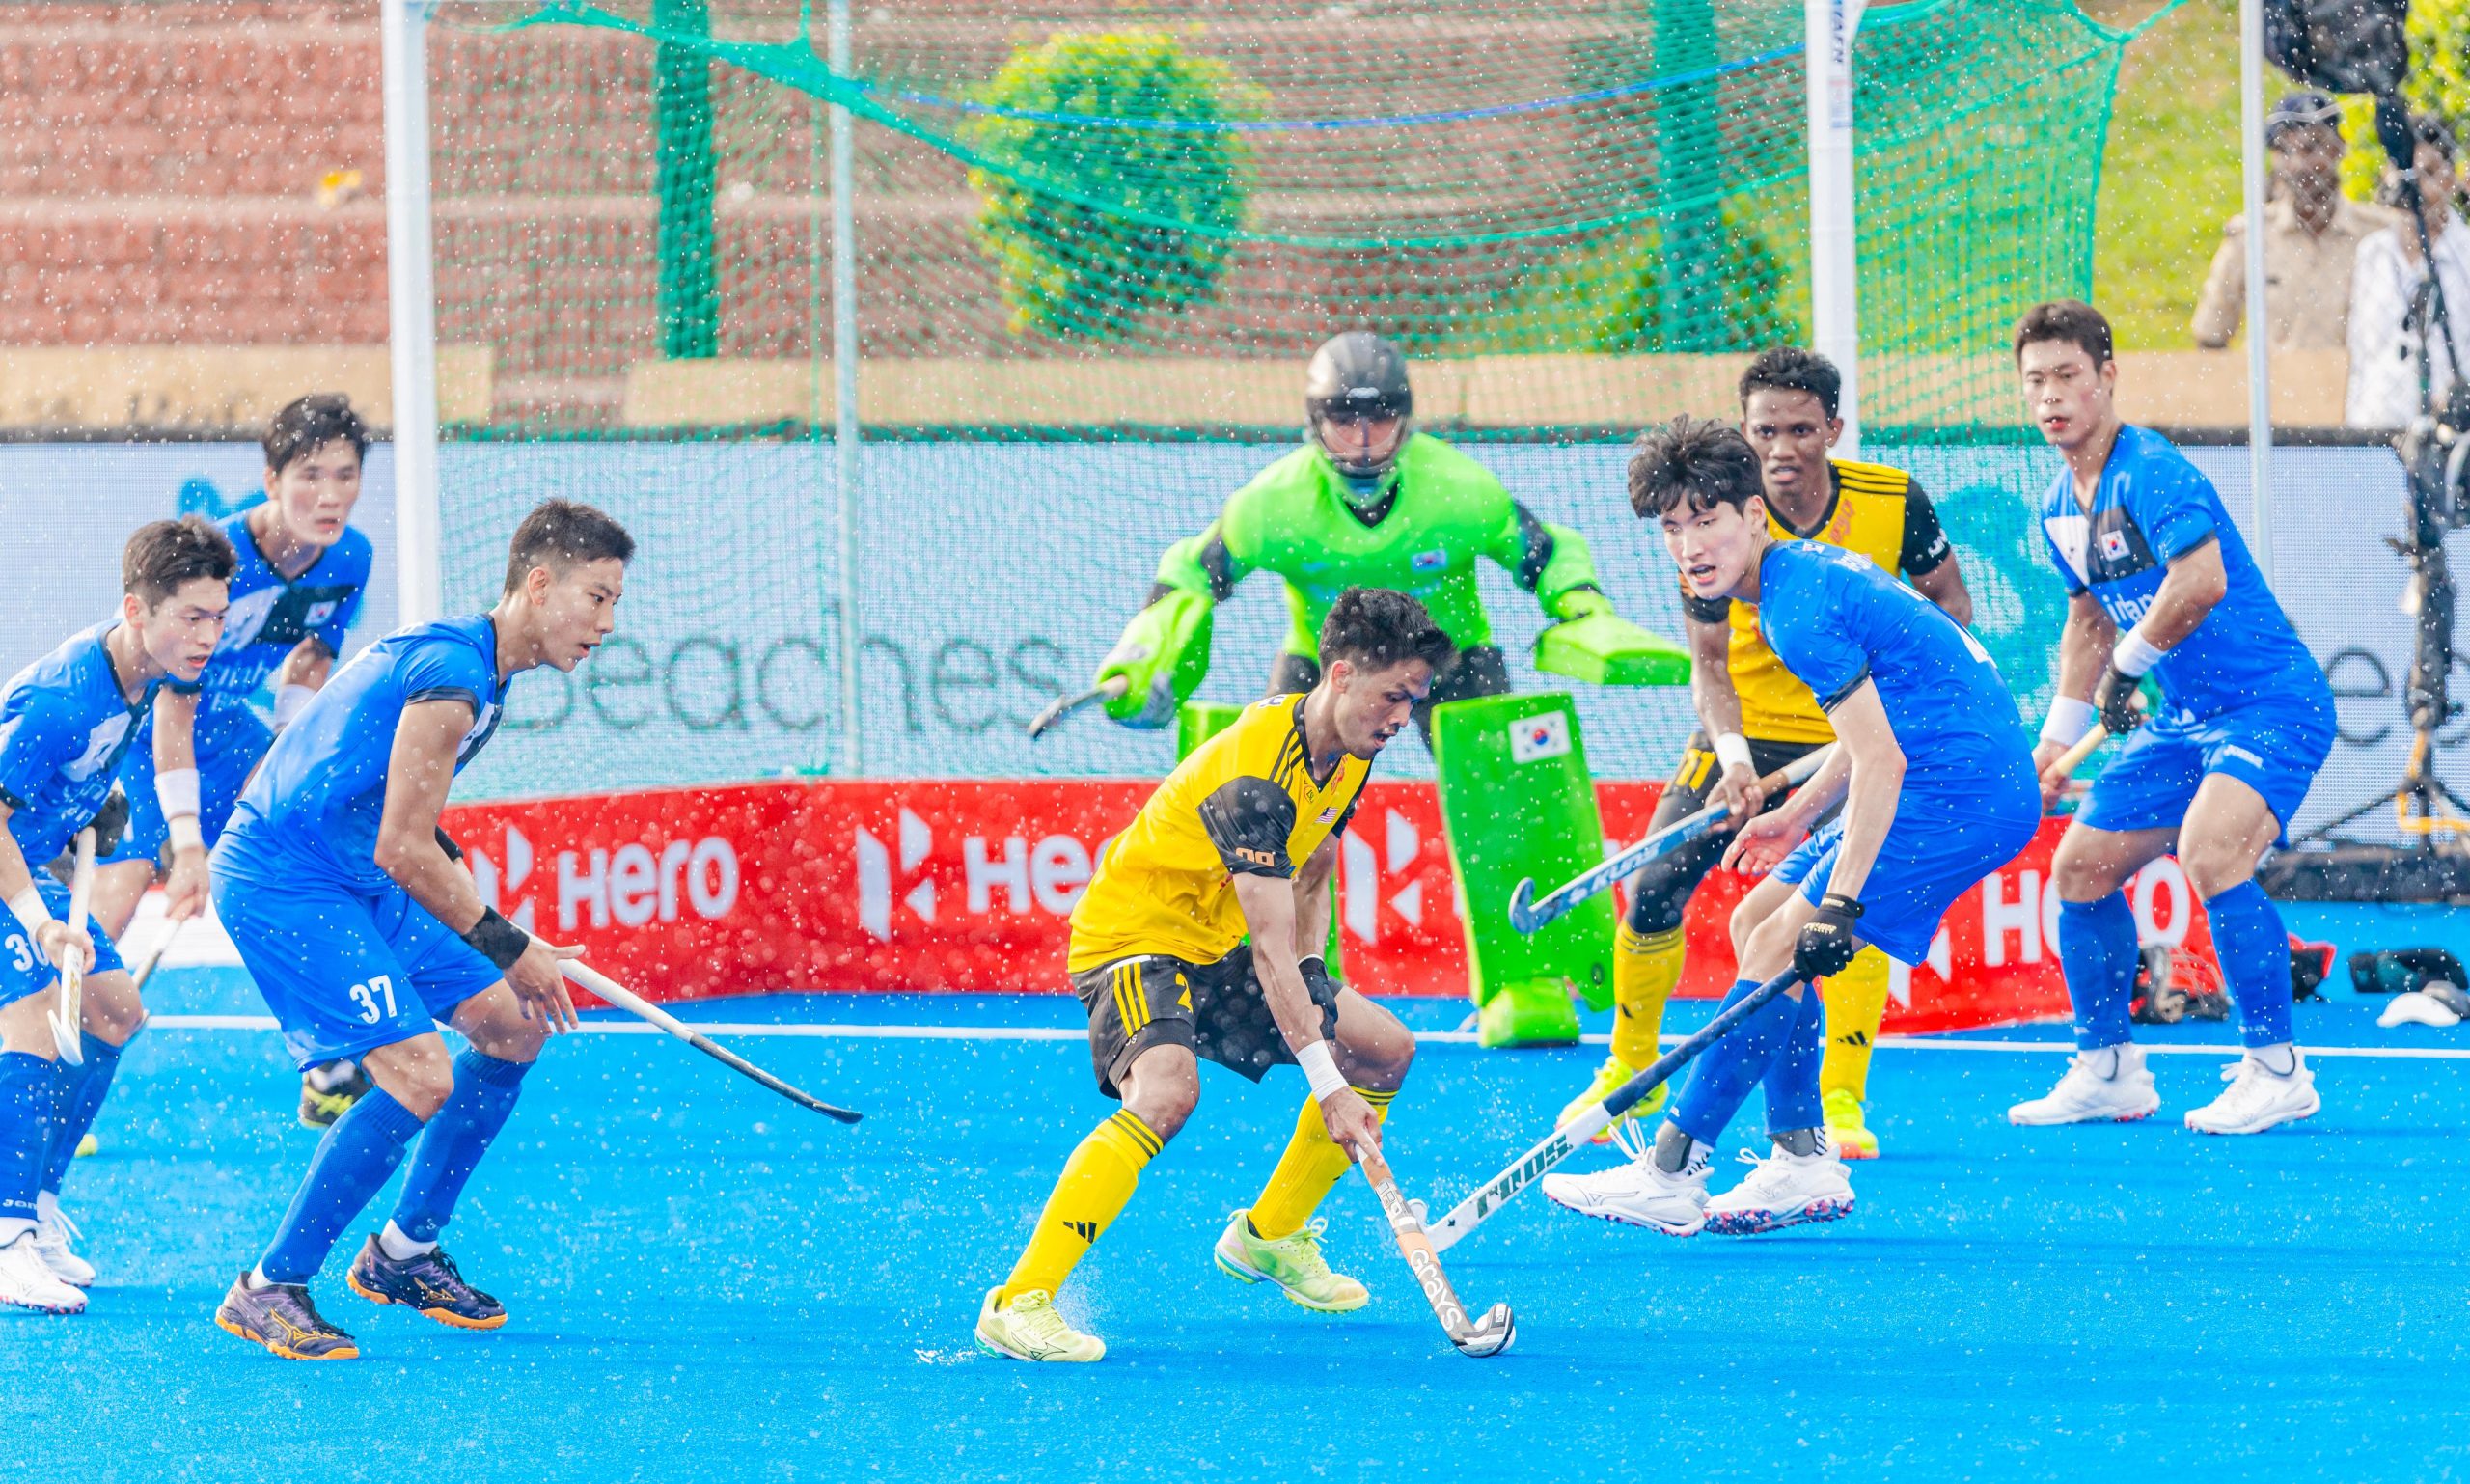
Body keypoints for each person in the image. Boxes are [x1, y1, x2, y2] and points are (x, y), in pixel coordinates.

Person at [1095, 331, 1675, 1046]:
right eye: (1345, 419)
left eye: (1380, 418)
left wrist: (1581, 608)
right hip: (1325, 669)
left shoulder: (1460, 492)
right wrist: (1150, 650)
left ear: (1407, 420)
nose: (1364, 440)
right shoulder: (1271, 505)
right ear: (1314, 423)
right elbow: (1188, 574)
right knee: (1275, 818)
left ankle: (1525, 980)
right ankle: (1285, 988)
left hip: (1450, 658)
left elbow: (1546, 554)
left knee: (1507, 807)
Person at [1540, 420, 2039, 1236]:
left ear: (1753, 515)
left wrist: (1839, 906)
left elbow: (1882, 761)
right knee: (1756, 922)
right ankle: (1802, 1161)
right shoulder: (1797, 578)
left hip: (1961, 793)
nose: (1690, 546)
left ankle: (1672, 1170)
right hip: (1948, 769)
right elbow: (1877, 725)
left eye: (1707, 520)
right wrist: (1798, 814)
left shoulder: (1795, 608)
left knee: (1785, 943)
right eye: (1672, 526)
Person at [976, 588, 1450, 1363]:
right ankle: (1019, 1301)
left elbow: (1316, 865)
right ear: (1340, 674)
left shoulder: (1352, 747)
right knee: (1166, 1094)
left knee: (1384, 1050)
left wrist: (1314, 970)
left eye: (1415, 699)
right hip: (1137, 935)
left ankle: (1270, 1236)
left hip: (1214, 938)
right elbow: (1267, 948)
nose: (1404, 717)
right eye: (1394, 696)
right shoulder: (1255, 779)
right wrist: (1327, 1084)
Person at [207, 500, 632, 1360]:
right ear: (539, 584)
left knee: (512, 1027)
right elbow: (404, 846)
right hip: (286, 880)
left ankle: (402, 1254)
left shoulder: (482, 668)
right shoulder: (455, 676)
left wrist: (491, 926)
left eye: (614, 603)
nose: (607, 623)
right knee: (420, 1075)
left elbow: (409, 826)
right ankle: (269, 1286)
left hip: (354, 871)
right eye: (597, 597)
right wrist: (512, 945)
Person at [2010, 300, 2334, 1135]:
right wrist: (2057, 737)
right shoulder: (2056, 504)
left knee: (2211, 851)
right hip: (2185, 721)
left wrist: (2128, 668)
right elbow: (2088, 621)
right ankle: (2110, 1072)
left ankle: (2277, 1071)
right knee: (2079, 869)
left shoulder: (2152, 471)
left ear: (2108, 377)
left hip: (2270, 704)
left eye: (2068, 376)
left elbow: (2201, 582)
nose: (2051, 396)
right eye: (2036, 381)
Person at [91, 395, 377, 1132]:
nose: (330, 495)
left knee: (294, 874)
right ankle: (42, 1078)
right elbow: (171, 710)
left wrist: (281, 751)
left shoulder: (351, 556)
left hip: (231, 730)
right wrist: (187, 845)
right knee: (109, 911)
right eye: (310, 475)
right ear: (271, 478)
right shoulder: (218, 560)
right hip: (141, 731)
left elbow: (311, 658)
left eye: (345, 475)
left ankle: (328, 1062)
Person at [0, 517, 234, 1311]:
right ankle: (6, 1236)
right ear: (137, 611)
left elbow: (164, 735)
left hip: (27, 858)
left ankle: (37, 1205)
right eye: (192, 618)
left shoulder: (159, 666)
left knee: (114, 1013)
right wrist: (39, 921)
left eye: (218, 617)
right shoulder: (62, 700)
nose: (208, 637)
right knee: (35, 1018)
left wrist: (171, 837)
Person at [2192, 92, 2392, 352]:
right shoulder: (2250, 236)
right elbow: (2210, 336)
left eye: (2312, 148)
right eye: (2285, 151)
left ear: (2339, 147)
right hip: (2273, 379)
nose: (2299, 164)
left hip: (2356, 378)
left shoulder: (2378, 234)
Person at [2347, 115, 2470, 428]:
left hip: (2453, 434)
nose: (2414, 189)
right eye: (2403, 174)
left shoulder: (2466, 254)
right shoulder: (2372, 254)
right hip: (2376, 430)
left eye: (2428, 173)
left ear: (2451, 179)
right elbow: (2360, 356)